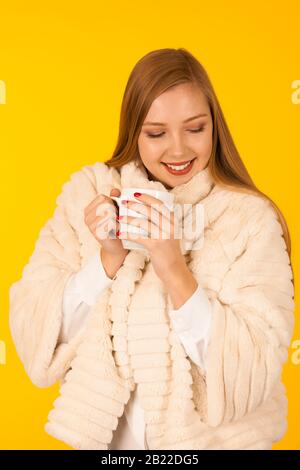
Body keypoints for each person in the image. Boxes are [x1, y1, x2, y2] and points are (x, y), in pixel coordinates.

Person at [9, 48, 295, 450]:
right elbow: (34, 332)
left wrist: (172, 265)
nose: (177, 151)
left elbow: (253, 370)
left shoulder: (248, 220)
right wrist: (107, 261)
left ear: (215, 126)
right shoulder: (87, 196)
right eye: (156, 133)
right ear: (133, 131)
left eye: (195, 128)